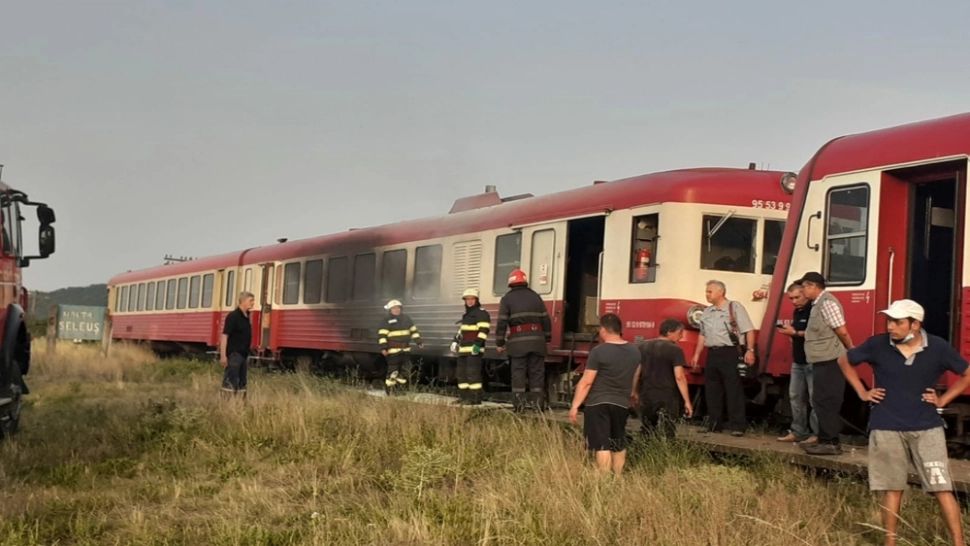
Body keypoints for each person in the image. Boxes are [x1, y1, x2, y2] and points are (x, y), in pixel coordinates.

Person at [838, 300, 970, 546]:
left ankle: (959, 543)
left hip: (927, 427)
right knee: (892, 488)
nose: (891, 327)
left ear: (915, 324)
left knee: (942, 488)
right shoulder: (877, 344)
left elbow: (967, 373)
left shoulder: (938, 347)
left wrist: (943, 399)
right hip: (886, 426)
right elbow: (844, 360)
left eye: (898, 322)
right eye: (889, 321)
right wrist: (862, 391)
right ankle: (891, 542)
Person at [569, 313, 640, 474]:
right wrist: (633, 393)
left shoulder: (599, 351)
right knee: (618, 442)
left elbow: (587, 381)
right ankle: (618, 478)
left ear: (604, 330)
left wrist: (575, 405)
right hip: (621, 403)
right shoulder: (634, 351)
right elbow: (636, 374)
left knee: (602, 444)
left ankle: (603, 480)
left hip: (598, 403)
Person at [689, 280, 756, 436]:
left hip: (730, 352)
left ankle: (737, 425)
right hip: (713, 353)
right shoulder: (707, 312)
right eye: (706, 291)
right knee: (712, 389)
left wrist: (750, 350)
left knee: (733, 389)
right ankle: (714, 424)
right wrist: (697, 355)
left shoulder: (734, 308)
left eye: (709, 291)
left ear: (720, 292)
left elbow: (748, 330)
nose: (707, 294)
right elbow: (702, 335)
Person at [797, 272, 853, 455]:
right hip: (821, 359)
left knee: (827, 400)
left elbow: (841, 330)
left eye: (804, 286)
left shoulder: (827, 303)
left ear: (813, 286)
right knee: (820, 400)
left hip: (830, 359)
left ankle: (830, 442)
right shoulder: (816, 304)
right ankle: (825, 439)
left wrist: (851, 348)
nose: (803, 290)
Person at [496, 269, 551, 411]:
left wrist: (500, 343)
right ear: (525, 281)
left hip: (518, 343)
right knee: (537, 373)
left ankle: (519, 406)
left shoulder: (507, 299)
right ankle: (538, 406)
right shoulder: (536, 297)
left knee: (518, 374)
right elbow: (546, 319)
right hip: (537, 341)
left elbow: (502, 322)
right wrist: (547, 337)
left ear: (510, 283)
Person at [632, 318, 693, 438]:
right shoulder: (676, 350)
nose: (681, 337)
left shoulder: (642, 347)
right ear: (669, 332)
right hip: (667, 395)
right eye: (679, 333)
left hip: (647, 393)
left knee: (647, 428)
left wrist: (634, 391)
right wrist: (687, 401)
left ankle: (644, 452)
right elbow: (680, 377)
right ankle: (666, 453)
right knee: (668, 430)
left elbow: (636, 372)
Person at [776, 282, 819, 444]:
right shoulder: (797, 311)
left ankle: (817, 434)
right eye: (791, 298)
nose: (794, 301)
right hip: (798, 360)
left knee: (815, 398)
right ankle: (799, 431)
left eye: (797, 297)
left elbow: (816, 333)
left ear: (805, 294)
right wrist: (791, 333)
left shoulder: (813, 310)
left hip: (813, 360)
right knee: (795, 396)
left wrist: (794, 332)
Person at [452, 288, 490, 405]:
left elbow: (484, 330)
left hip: (474, 350)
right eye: (467, 299)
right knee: (461, 374)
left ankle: (475, 399)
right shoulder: (467, 315)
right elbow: (462, 331)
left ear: (476, 300)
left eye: (472, 299)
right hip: (463, 349)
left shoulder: (482, 313)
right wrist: (454, 341)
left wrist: (477, 345)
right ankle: (464, 397)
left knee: (473, 374)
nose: (469, 301)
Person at [377, 299, 423, 394]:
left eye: (398, 308)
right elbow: (382, 336)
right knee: (393, 373)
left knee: (406, 371)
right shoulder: (386, 320)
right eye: (394, 308)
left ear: (401, 308)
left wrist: (419, 342)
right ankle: (390, 391)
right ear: (390, 310)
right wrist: (383, 348)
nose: (396, 309)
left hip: (405, 350)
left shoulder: (406, 318)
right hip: (393, 351)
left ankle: (400, 390)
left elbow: (413, 331)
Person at [220, 291, 255, 398]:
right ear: (243, 301)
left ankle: (240, 405)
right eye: (251, 300)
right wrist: (223, 356)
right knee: (231, 380)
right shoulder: (233, 316)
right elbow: (225, 336)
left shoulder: (247, 316)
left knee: (242, 382)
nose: (253, 303)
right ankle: (226, 404)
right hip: (234, 355)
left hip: (243, 355)